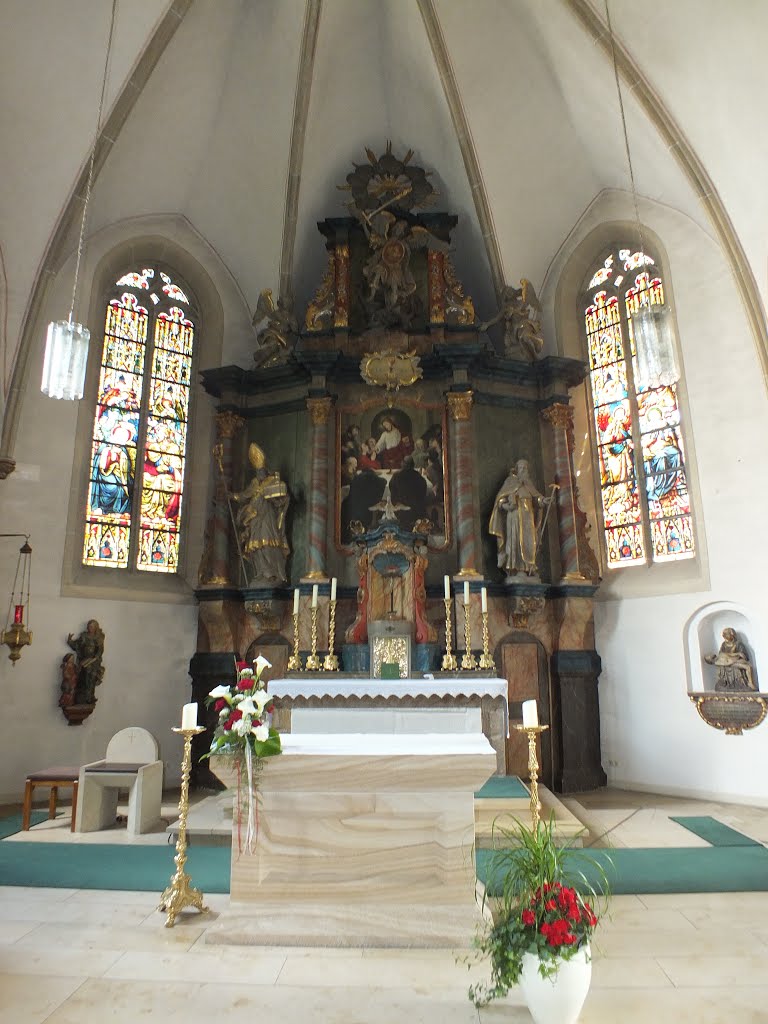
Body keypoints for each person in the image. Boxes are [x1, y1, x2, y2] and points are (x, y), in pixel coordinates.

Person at [232, 443, 291, 584]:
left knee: (267, 544)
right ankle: (260, 572)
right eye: (257, 472)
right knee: (254, 546)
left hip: (268, 517)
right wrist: (231, 495)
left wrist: (281, 500)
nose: (259, 475)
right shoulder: (254, 483)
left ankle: (272, 572)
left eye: (262, 472)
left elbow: (280, 498)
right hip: (254, 518)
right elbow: (244, 495)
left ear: (265, 470)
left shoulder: (273, 481)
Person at [489, 459, 549, 577]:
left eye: (525, 468)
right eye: (521, 468)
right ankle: (517, 568)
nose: (523, 470)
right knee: (515, 541)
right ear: (516, 470)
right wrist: (507, 506)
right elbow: (500, 500)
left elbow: (536, 498)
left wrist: (543, 501)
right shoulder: (510, 482)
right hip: (515, 516)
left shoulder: (528, 483)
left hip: (528, 517)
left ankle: (529, 567)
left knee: (529, 542)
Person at [66, 620, 105, 704]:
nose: (89, 628)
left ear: (95, 628)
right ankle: (83, 695)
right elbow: (77, 645)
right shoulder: (84, 636)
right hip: (84, 660)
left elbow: (100, 650)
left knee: (91, 674)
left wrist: (95, 658)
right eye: (88, 626)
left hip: (94, 661)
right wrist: (70, 641)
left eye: (91, 626)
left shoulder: (99, 638)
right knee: (84, 672)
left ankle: (90, 696)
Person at [389, 455, 428, 531]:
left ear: (403, 464)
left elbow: (392, 489)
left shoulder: (396, 475)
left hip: (401, 510)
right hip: (415, 509)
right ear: (413, 465)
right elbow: (423, 492)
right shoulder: (418, 477)